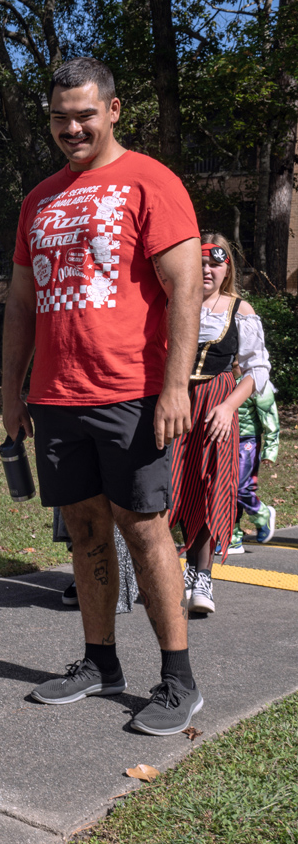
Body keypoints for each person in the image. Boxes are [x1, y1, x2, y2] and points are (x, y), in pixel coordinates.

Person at [2, 56, 205, 737]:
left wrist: (176, 385)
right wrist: (12, 391)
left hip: (132, 393)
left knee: (146, 533)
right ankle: (99, 663)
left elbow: (187, 292)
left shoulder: (152, 181)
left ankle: (178, 678)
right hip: (58, 398)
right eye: (60, 117)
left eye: (84, 114)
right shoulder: (39, 199)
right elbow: (22, 307)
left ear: (112, 111)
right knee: (84, 530)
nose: (72, 127)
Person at [172, 234, 271, 612]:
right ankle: (158, 573)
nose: (207, 269)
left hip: (216, 404)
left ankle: (203, 579)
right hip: (175, 402)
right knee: (171, 486)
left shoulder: (238, 309)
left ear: (227, 266)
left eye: (216, 262)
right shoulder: (176, 303)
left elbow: (256, 368)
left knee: (210, 484)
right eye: (201, 262)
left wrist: (229, 407)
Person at [228, 378, 279, 555]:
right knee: (225, 491)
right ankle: (232, 540)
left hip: (247, 440)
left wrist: (270, 450)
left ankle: (262, 515)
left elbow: (269, 415)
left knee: (241, 488)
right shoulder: (220, 376)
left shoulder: (257, 380)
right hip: (224, 438)